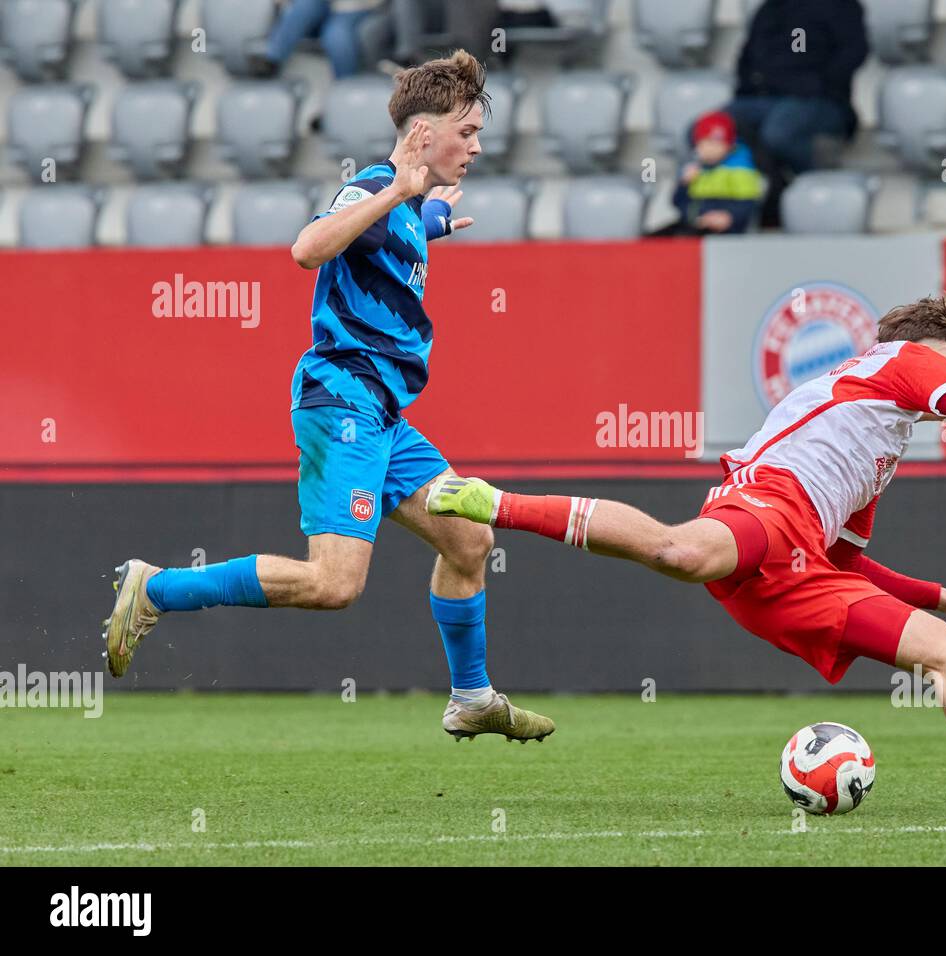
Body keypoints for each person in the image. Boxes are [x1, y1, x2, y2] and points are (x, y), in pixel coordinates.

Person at [428, 293, 946, 813]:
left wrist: (933, 594)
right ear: (937, 346)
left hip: (801, 563)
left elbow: (845, 560)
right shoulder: (900, 362)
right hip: (762, 509)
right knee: (678, 552)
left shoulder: (880, 444)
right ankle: (496, 502)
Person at [103, 51, 556, 744]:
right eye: (466, 132)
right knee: (333, 584)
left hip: (384, 416)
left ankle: (470, 696)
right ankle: (156, 588)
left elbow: (379, 243)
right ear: (423, 134)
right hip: (341, 403)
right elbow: (307, 248)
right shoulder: (376, 186)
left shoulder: (402, 207)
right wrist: (396, 196)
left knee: (469, 539)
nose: (477, 146)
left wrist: (424, 220)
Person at [726, 0, 868, 227]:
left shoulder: (841, 6)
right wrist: (749, 89)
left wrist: (818, 86)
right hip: (763, 100)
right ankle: (771, 192)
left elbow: (854, 52)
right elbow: (747, 57)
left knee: (779, 131)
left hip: (821, 101)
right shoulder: (768, 10)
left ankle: (819, 181)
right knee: (715, 126)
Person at [651, 111, 764, 237]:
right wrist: (684, 184)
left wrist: (729, 217)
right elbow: (677, 203)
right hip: (694, 225)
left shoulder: (742, 169)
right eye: (704, 143)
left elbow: (747, 205)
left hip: (725, 230)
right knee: (652, 240)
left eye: (716, 143)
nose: (709, 149)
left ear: (729, 146)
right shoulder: (696, 168)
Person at [251, 0, 385, 79]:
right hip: (319, 6)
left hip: (353, 8)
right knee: (306, 5)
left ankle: (343, 99)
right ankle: (272, 58)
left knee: (335, 35)